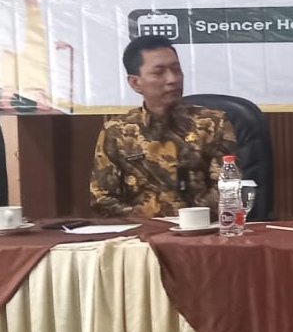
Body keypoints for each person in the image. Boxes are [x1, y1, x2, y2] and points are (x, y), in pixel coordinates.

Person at [90, 35, 238, 217]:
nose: (172, 79)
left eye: (176, 70)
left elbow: (228, 189)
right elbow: (102, 198)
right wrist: (151, 221)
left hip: (203, 228)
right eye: (159, 72)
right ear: (135, 83)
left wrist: (189, 219)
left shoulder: (213, 123)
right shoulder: (117, 131)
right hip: (142, 229)